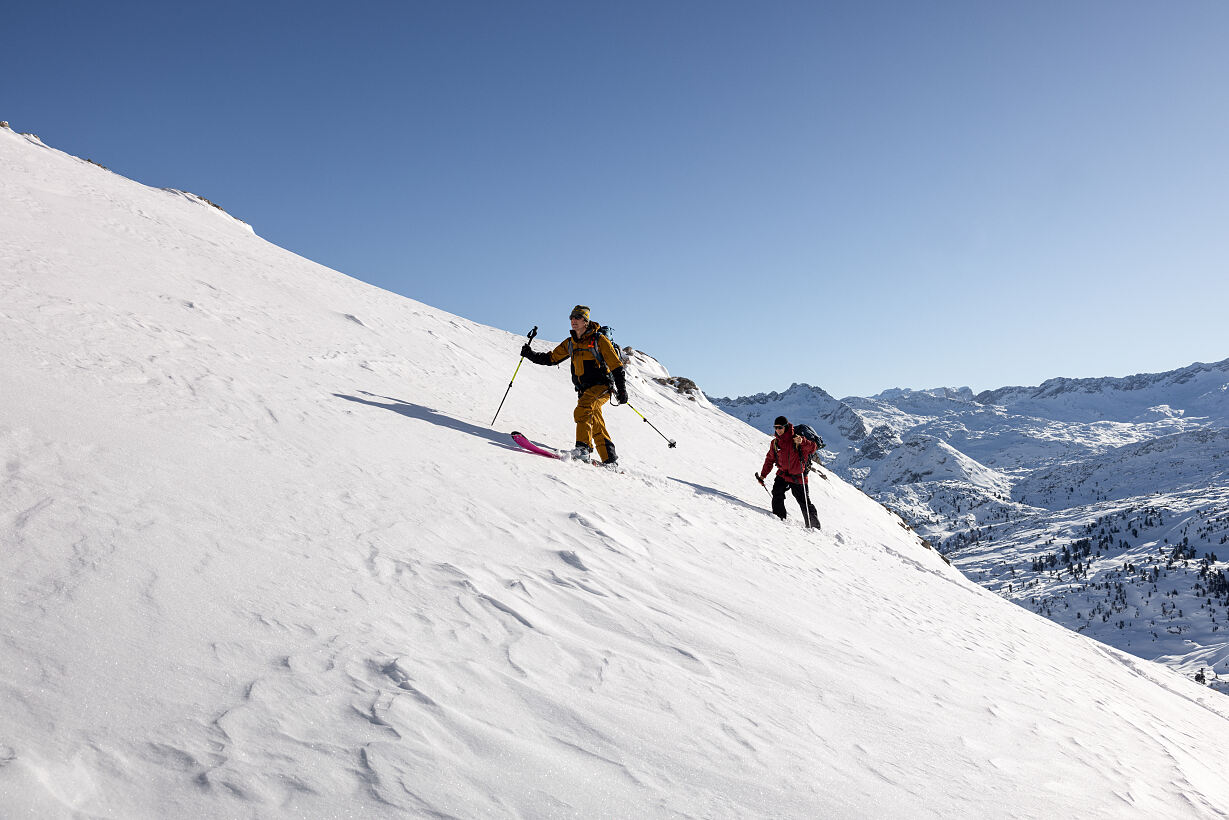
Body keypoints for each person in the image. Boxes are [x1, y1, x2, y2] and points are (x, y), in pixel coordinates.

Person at [520, 305, 628, 465]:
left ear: (586, 321)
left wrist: (622, 390)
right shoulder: (570, 343)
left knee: (583, 409)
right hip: (584, 390)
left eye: (577, 317)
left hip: (601, 386)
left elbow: (616, 366)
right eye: (571, 317)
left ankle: (583, 449)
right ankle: (610, 459)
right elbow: (551, 358)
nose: (573, 320)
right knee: (595, 420)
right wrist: (530, 354)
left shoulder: (599, 340)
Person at [758, 416, 820, 527]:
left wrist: (803, 442)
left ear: (786, 427)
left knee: (804, 502)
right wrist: (763, 476)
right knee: (777, 494)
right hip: (782, 474)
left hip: (798, 476)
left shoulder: (797, 439)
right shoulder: (775, 443)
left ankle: (814, 527)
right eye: (775, 427)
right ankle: (779, 520)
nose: (777, 430)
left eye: (780, 427)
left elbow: (813, 448)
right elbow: (770, 459)